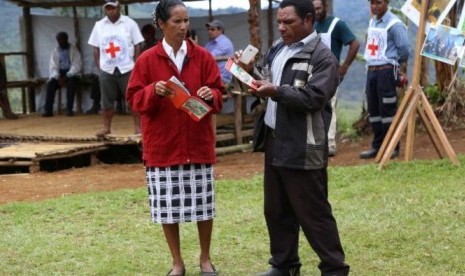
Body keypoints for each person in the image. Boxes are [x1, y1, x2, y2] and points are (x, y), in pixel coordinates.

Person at [235, 0, 350, 274]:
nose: (282, 27)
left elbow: (314, 98)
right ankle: (284, 265)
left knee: (313, 212)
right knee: (276, 209)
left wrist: (276, 91)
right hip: (276, 140)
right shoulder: (278, 50)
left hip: (303, 144)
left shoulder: (322, 57)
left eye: (289, 22)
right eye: (279, 22)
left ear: (308, 20)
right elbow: (264, 80)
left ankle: (334, 269)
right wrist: (247, 71)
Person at [126, 0, 224, 275]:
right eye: (176, 22)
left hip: (197, 143)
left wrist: (211, 94)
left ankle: (205, 259)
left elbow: (219, 93)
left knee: (204, 206)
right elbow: (133, 99)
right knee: (168, 208)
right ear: (161, 24)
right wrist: (152, 91)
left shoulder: (202, 56)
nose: (183, 27)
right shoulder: (147, 60)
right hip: (163, 146)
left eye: (186, 21)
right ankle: (177, 262)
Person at [360, 0, 409, 159]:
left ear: (387, 2)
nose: (374, 6)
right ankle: (378, 146)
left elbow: (404, 50)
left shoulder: (395, 24)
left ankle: (392, 147)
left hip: (386, 71)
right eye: (372, 3)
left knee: (387, 110)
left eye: (378, 3)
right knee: (374, 110)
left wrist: (393, 67)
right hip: (372, 71)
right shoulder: (373, 22)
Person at [87, 0, 144, 137]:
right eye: (108, 8)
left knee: (132, 99)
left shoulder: (129, 23)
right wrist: (100, 67)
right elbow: (96, 48)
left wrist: (136, 64)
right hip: (107, 69)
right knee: (106, 101)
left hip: (127, 68)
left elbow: (138, 45)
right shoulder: (99, 25)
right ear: (105, 10)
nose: (111, 11)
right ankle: (106, 128)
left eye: (113, 8)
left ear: (119, 7)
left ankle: (138, 128)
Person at [313, 0, 360, 157]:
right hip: (313, 73)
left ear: (325, 7)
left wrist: (345, 66)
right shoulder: (313, 26)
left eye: (319, 8)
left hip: (331, 74)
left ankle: (330, 142)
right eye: (313, 9)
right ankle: (318, 142)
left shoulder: (337, 24)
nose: (316, 11)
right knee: (315, 107)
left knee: (330, 107)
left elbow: (354, 43)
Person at [42, 31, 82, 117]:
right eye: (59, 40)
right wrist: (57, 76)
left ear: (67, 39)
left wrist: (68, 76)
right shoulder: (55, 51)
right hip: (60, 73)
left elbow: (77, 65)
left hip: (72, 73)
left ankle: (69, 109)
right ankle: (48, 110)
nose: (61, 41)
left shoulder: (74, 49)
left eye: (63, 39)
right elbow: (53, 66)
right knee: (51, 84)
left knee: (72, 84)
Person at [204, 19, 234, 87]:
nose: (209, 31)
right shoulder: (211, 43)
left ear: (220, 30)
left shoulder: (224, 42)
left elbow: (207, 57)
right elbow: (201, 54)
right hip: (214, 76)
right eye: (208, 29)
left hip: (222, 77)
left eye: (212, 29)